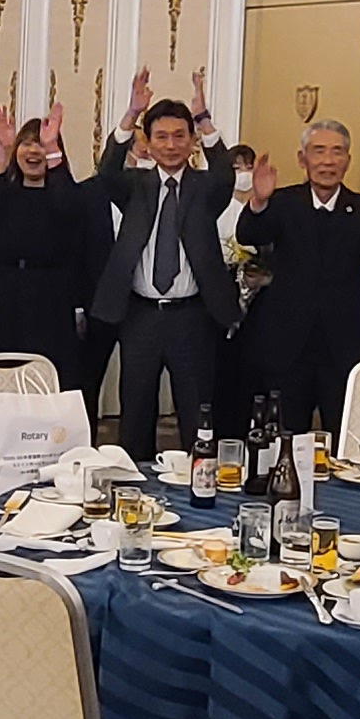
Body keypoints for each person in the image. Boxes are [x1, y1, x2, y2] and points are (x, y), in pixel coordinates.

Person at [90, 71, 236, 463]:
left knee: (196, 411)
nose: (171, 145)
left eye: (179, 136)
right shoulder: (134, 185)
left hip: (192, 316)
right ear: (149, 142)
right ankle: (136, 483)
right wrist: (131, 114)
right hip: (140, 315)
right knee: (136, 410)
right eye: (161, 137)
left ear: (191, 141)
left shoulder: (205, 188)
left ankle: (198, 484)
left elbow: (226, 174)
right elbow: (106, 172)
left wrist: (204, 117)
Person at [237, 118, 360, 434]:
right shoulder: (282, 202)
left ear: (348, 161)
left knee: (347, 437)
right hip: (287, 344)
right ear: (302, 159)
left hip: (345, 344)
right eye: (318, 151)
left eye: (336, 152)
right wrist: (258, 202)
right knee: (285, 437)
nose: (327, 161)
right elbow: (249, 234)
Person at [0, 96, 102, 390]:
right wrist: (4, 150)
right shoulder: (4, 190)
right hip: (3, 293)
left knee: (47, 377)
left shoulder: (66, 193)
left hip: (50, 296)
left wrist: (52, 148)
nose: (33, 151)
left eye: (40, 145)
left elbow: (69, 207)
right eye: (27, 144)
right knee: (0, 372)